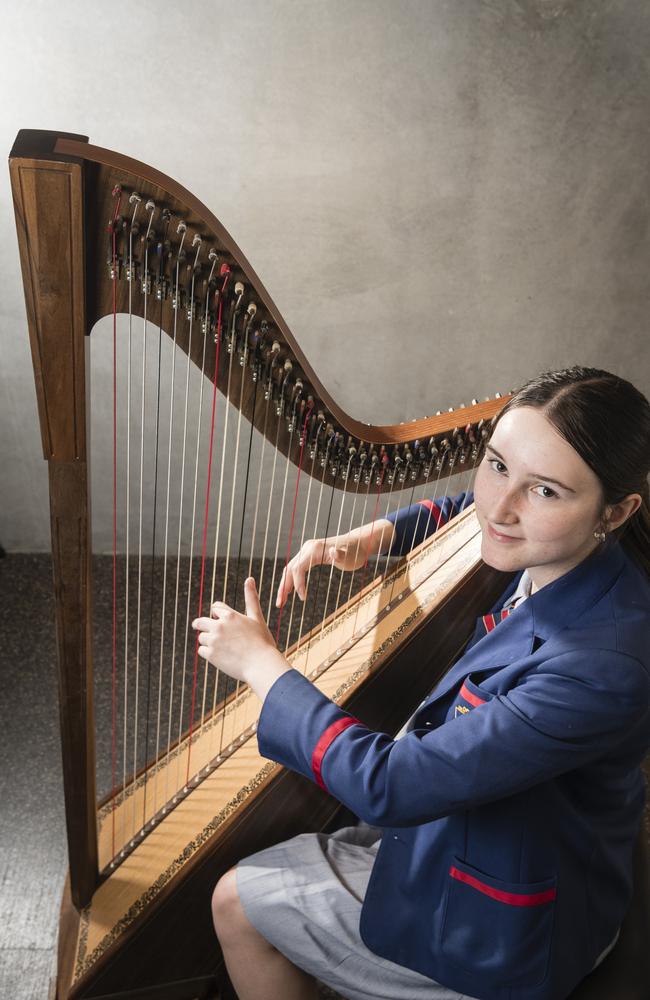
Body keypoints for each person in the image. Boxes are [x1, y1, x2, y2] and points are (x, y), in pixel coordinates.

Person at [192, 366, 650, 1000]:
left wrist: (264, 667)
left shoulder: (601, 667)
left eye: (544, 491)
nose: (503, 506)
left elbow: (391, 785)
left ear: (616, 510)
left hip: (510, 923)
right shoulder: (573, 554)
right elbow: (472, 512)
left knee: (234, 901)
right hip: (515, 836)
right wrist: (378, 534)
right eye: (495, 465)